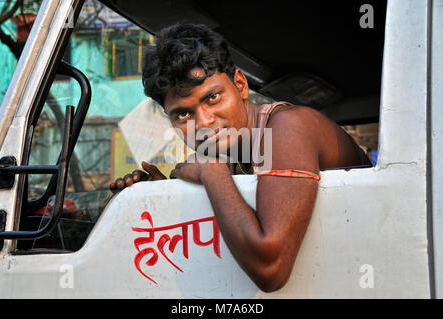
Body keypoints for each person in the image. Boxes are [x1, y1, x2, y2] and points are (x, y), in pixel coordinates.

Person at [110, 23, 372, 292]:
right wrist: (160, 196)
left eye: (213, 97)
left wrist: (210, 172)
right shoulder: (231, 153)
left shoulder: (289, 127)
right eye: (183, 114)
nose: (204, 122)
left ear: (240, 85)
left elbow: (271, 269)